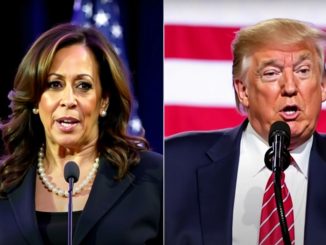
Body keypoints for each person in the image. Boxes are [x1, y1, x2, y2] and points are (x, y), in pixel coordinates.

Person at [165, 18, 326, 245]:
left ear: (322, 86)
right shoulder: (174, 165)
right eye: (271, 73)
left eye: (303, 71)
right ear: (243, 91)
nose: (290, 87)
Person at [0, 23, 162, 244]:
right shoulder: (4, 183)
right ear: (36, 99)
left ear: (103, 101)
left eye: (83, 86)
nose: (68, 100)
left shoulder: (153, 178)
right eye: (54, 84)